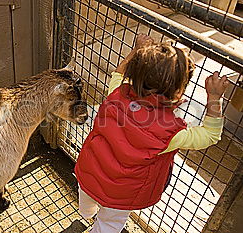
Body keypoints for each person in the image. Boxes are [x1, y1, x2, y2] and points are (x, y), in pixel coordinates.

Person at [74, 34, 229, 233]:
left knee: (86, 195)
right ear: (178, 92)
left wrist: (136, 50)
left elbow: (118, 75)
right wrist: (215, 97)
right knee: (109, 224)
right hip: (122, 194)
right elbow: (210, 135)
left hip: (90, 172)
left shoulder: (116, 94)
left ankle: (86, 214)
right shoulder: (170, 133)